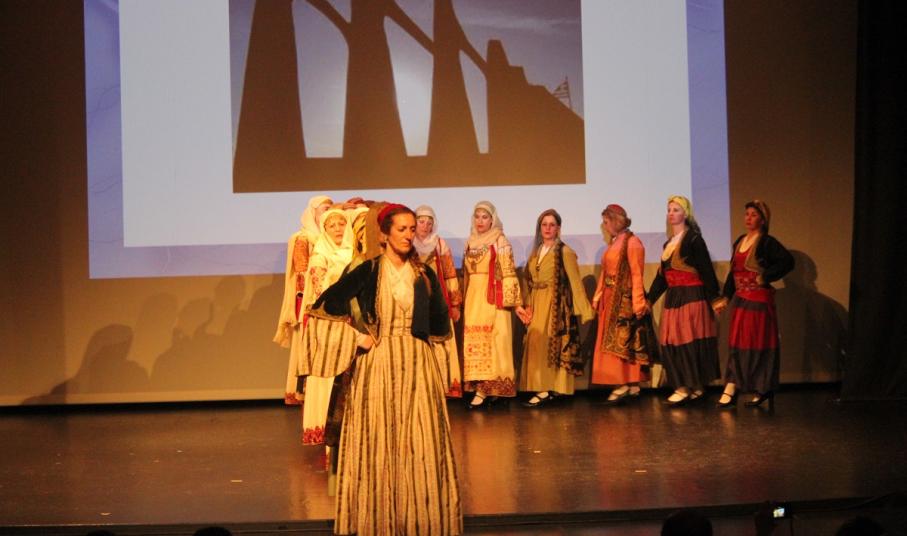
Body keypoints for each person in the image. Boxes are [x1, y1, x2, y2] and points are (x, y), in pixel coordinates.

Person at [301, 204, 462, 535]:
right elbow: (324, 307)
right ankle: (378, 520)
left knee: (421, 441)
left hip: (417, 364)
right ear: (384, 234)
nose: (408, 235)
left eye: (411, 229)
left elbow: (440, 326)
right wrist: (356, 338)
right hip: (378, 365)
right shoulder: (369, 270)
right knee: (378, 441)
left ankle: (422, 520)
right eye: (401, 229)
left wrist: (438, 365)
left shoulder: (424, 274)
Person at [715, 200, 793, 409]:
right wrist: (726, 297)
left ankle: (760, 387)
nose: (748, 218)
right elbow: (733, 273)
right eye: (747, 214)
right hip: (741, 301)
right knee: (738, 344)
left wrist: (766, 276)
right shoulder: (740, 241)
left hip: (758, 301)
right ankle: (732, 385)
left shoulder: (766, 242)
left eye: (754, 215)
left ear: (763, 219)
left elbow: (787, 261)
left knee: (757, 344)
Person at [646, 196, 722, 406]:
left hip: (692, 296)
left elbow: (706, 270)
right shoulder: (668, 244)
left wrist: (715, 298)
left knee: (689, 341)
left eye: (676, 210)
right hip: (674, 297)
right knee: (672, 340)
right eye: (669, 210)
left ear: (685, 214)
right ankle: (687, 385)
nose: (671, 213)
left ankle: (689, 386)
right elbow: (662, 278)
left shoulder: (694, 239)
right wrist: (650, 299)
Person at [515, 209, 594, 407]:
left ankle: (547, 389)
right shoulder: (536, 252)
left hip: (554, 303)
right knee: (535, 343)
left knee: (548, 344)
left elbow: (575, 282)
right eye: (544, 224)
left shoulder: (564, 252)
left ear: (558, 228)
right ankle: (540, 386)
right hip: (537, 301)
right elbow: (529, 280)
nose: (548, 228)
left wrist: (584, 310)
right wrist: (527, 305)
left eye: (552, 225)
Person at [590, 204, 658, 404]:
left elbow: (637, 273)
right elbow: (605, 272)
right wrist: (598, 295)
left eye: (606, 222)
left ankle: (626, 384)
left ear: (615, 221)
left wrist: (638, 302)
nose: (604, 226)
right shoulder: (614, 242)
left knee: (624, 341)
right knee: (614, 341)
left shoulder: (633, 242)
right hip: (610, 297)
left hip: (624, 300)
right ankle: (628, 384)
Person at [299, 208, 354, 445]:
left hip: (350, 319)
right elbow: (321, 290)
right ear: (324, 230)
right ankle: (323, 426)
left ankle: (346, 428)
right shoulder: (320, 255)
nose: (338, 229)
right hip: (329, 319)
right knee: (326, 373)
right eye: (332, 225)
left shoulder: (353, 252)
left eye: (342, 224)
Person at [461, 201, 521, 409]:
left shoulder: (500, 240)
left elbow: (508, 272)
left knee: (495, 341)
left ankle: (487, 390)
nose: (480, 221)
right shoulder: (470, 242)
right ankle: (482, 386)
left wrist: (515, 304)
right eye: (477, 217)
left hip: (492, 298)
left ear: (492, 219)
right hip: (473, 297)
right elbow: (466, 275)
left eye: (485, 217)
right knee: (475, 342)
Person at [274, 195, 333, 405]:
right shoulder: (303, 238)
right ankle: (304, 391)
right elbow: (301, 272)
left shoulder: (330, 238)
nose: (327, 213)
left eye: (330, 209)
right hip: (308, 299)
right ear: (313, 213)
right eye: (324, 209)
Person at [414, 205, 463, 398]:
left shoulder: (439, 244)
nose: (425, 226)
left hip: (437, 300)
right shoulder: (408, 243)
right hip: (414, 300)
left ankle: (441, 386)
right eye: (421, 222)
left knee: (440, 344)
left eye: (429, 223)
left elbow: (450, 274)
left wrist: (455, 304)